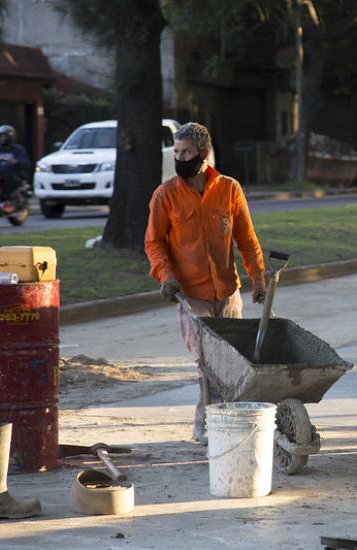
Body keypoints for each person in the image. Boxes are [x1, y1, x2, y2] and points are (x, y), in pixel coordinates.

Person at [145, 122, 266, 444]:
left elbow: (246, 238)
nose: (180, 158)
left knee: (233, 361)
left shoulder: (229, 189)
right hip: (190, 295)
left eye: (186, 152)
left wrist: (259, 279)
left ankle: (227, 421)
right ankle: (208, 424)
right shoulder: (166, 194)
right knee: (209, 364)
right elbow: (154, 243)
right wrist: (166, 276)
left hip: (226, 291)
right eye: (176, 152)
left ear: (204, 153)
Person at [0, 125, 29, 214]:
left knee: (6, 174)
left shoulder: (18, 149)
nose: (2, 138)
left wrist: (15, 161)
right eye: (0, 136)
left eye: (4, 136)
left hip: (15, 175)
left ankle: (8, 202)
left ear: (10, 137)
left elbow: (24, 160)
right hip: (0, 173)